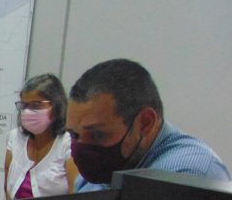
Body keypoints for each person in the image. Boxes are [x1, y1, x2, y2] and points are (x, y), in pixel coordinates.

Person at [67, 59, 230, 192]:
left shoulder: (187, 177)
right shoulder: (96, 178)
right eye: (74, 135)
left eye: (98, 135)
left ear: (145, 123)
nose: (81, 149)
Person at [4, 73, 78, 199]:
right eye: (24, 105)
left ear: (56, 106)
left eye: (36, 105)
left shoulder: (69, 143)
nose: (28, 111)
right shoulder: (15, 137)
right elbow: (7, 192)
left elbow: (76, 199)